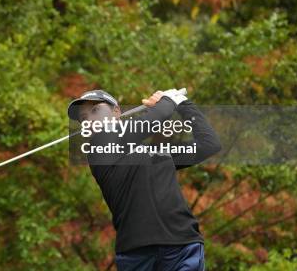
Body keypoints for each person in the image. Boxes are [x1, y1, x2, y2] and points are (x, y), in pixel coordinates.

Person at [68, 89, 221, 271]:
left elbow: (209, 144)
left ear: (116, 111)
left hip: (182, 244)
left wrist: (184, 104)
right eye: (84, 119)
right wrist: (169, 100)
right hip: (137, 253)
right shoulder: (98, 149)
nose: (90, 121)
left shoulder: (158, 154)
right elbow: (156, 117)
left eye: (95, 111)